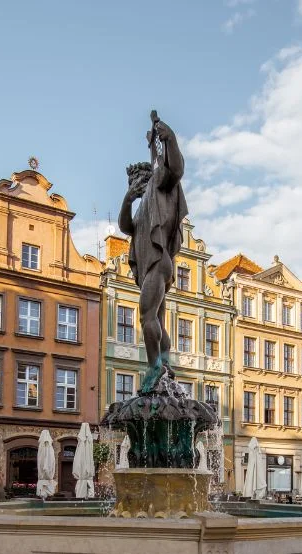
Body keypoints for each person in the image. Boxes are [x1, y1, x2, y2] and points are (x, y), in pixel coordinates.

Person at [119, 111, 188, 394]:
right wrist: (127, 199)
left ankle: (154, 368)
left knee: (146, 316)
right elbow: (126, 226)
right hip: (151, 266)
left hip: (159, 262)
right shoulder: (144, 207)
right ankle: (165, 362)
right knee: (157, 318)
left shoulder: (160, 183)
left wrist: (168, 137)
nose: (133, 184)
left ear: (145, 176)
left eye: (135, 180)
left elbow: (176, 169)